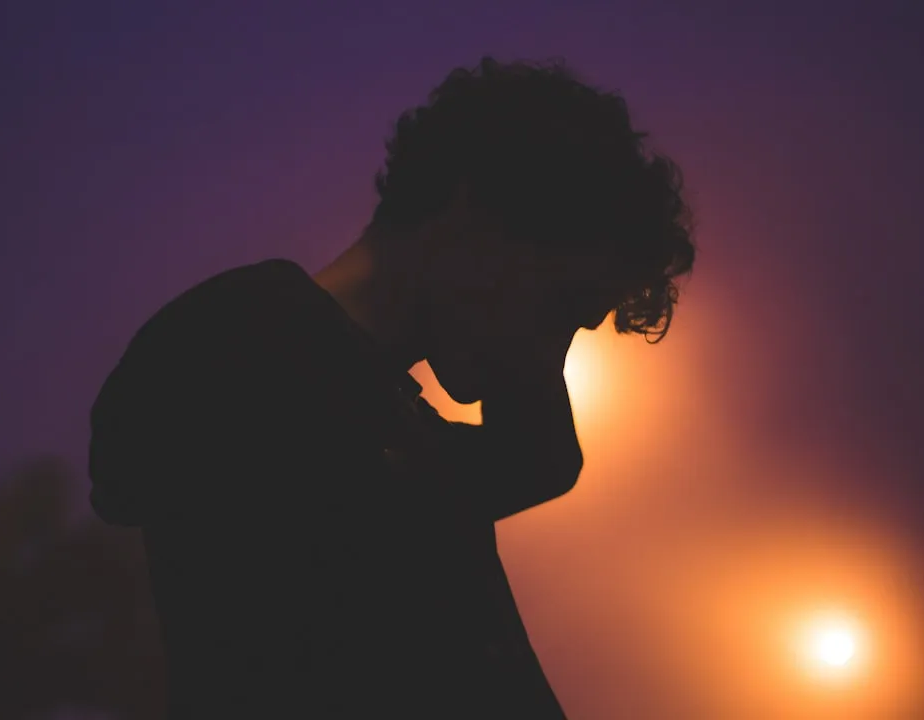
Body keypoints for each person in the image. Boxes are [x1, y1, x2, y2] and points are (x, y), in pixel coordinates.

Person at [87, 56, 695, 719]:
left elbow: (541, 463)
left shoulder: (390, 416)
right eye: (559, 305)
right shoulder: (246, 339)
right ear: (475, 218)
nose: (550, 354)